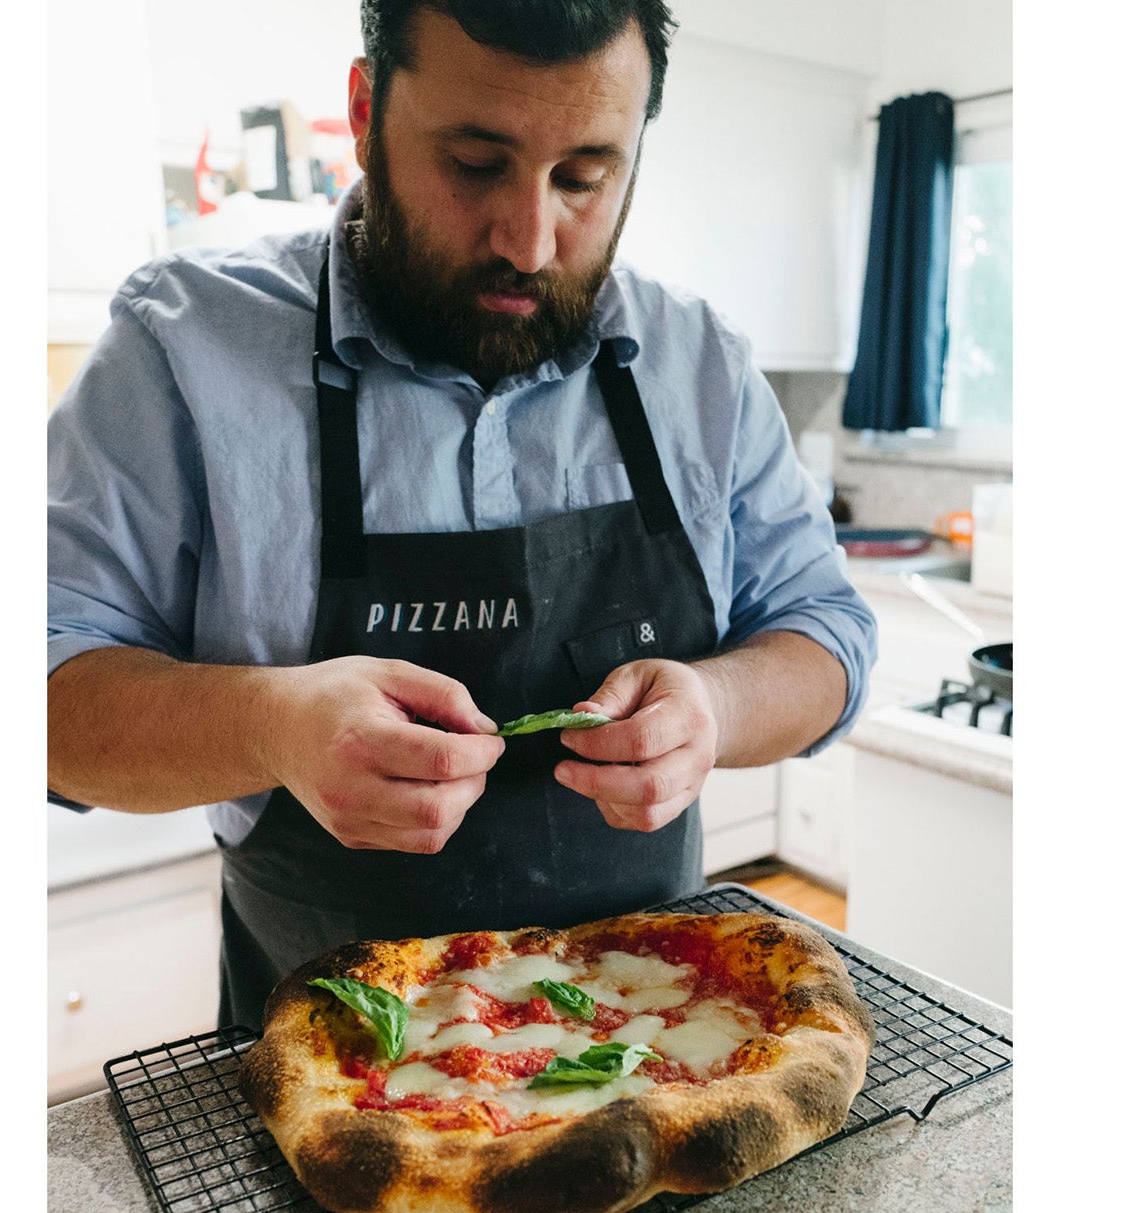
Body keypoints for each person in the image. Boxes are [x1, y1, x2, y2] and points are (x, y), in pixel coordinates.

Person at [47, 0, 878, 1032]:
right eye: (475, 164)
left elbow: (829, 635)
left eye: (584, 177)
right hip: (334, 1062)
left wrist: (717, 706)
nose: (529, 241)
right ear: (365, 113)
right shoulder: (183, 346)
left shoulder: (701, 363)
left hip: (662, 1042)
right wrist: (272, 725)